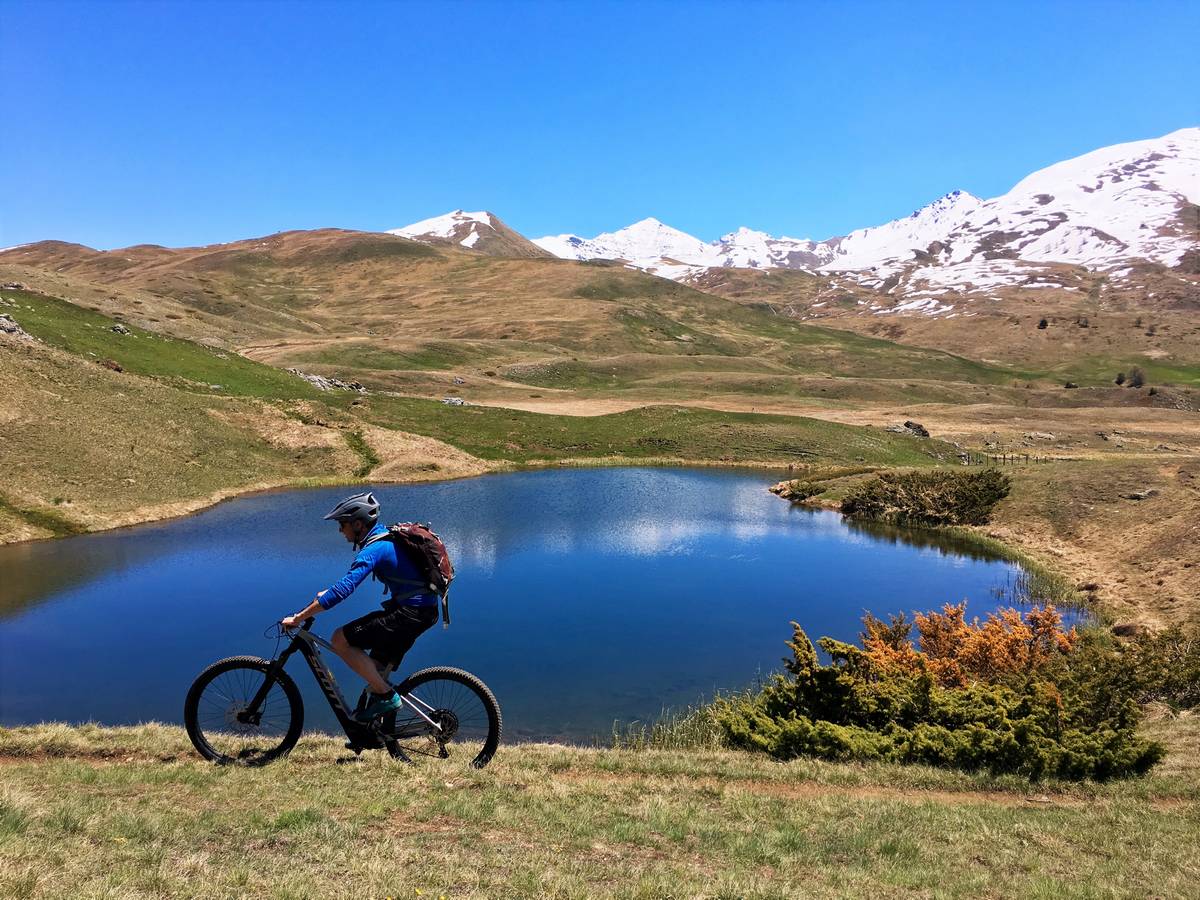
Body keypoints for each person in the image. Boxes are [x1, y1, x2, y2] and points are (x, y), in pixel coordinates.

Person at [281, 491, 439, 722]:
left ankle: (387, 697)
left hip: (410, 613)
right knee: (373, 669)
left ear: (358, 524)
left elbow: (344, 589)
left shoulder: (374, 549)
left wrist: (299, 617)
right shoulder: (386, 537)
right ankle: (374, 730)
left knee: (339, 640)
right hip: (421, 611)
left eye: (342, 524)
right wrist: (327, 594)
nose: (340, 530)